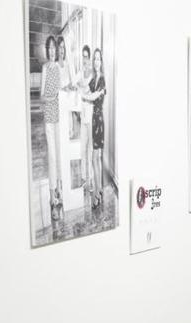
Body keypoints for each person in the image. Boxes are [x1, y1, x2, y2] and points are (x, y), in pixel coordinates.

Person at [40, 35, 63, 222]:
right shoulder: (45, 68)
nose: (53, 51)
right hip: (49, 115)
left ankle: (58, 191)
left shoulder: (59, 68)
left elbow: (63, 91)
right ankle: (51, 196)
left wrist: (59, 95)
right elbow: (41, 95)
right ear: (48, 51)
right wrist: (51, 97)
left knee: (58, 155)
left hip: (59, 117)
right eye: (50, 48)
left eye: (54, 48)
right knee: (52, 155)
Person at [83, 47, 107, 210]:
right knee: (95, 159)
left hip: (98, 120)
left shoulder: (102, 80)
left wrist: (83, 96)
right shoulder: (93, 78)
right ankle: (99, 191)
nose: (97, 62)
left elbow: (93, 96)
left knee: (95, 159)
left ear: (101, 61)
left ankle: (98, 194)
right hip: (93, 118)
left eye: (99, 59)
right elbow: (85, 87)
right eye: (95, 59)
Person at [76, 45, 94, 201]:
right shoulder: (80, 74)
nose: (85, 59)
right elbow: (74, 85)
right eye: (83, 56)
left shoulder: (92, 76)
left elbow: (90, 93)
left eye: (87, 56)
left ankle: (91, 181)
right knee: (82, 149)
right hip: (83, 116)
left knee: (90, 151)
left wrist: (84, 91)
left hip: (92, 116)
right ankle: (83, 179)